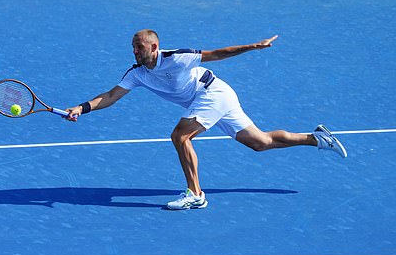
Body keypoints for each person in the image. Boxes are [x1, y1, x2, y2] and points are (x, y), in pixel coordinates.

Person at [65, 29, 347, 210]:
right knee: (260, 143)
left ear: (154, 48)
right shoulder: (137, 73)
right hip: (212, 99)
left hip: (213, 94)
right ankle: (317, 138)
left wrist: (253, 46)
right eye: (133, 47)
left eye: (139, 47)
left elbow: (217, 54)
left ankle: (195, 193)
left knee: (180, 136)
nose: (134, 51)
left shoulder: (178, 58)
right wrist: (82, 107)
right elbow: (111, 96)